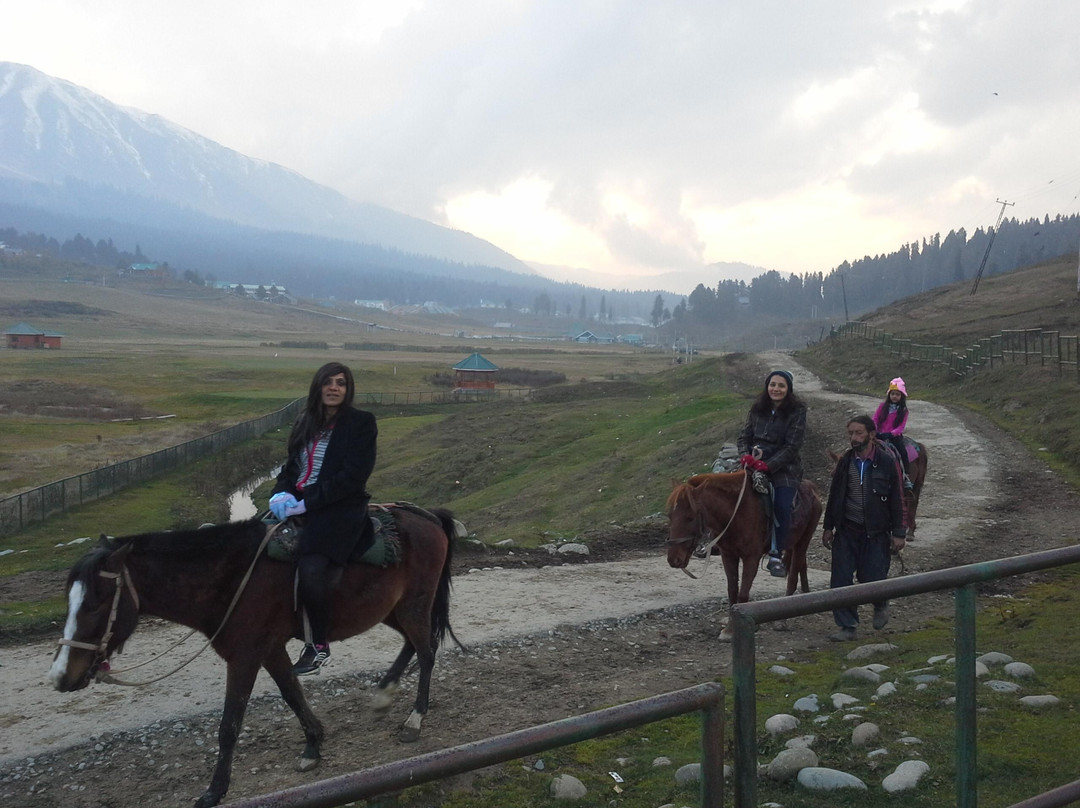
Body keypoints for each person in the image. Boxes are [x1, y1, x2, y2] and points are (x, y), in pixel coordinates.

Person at [269, 362, 378, 675]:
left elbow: (352, 477)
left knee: (312, 566)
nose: (334, 388)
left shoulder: (361, 423)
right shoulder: (306, 421)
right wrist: (281, 494)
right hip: (297, 503)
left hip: (340, 509)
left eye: (341, 383)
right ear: (317, 387)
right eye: (327, 382)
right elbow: (291, 470)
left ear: (348, 389)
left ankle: (317, 645)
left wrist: (306, 504)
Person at [822, 415, 906, 641]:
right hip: (847, 529)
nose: (853, 438)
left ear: (871, 434)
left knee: (872, 576)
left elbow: (897, 498)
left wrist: (899, 532)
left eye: (858, 433)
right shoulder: (846, 463)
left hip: (876, 532)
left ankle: (880, 602)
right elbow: (835, 496)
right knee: (840, 579)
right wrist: (828, 526)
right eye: (850, 433)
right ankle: (847, 626)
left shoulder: (887, 463)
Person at [737, 369, 807, 578]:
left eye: (781, 386)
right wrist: (745, 457)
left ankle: (776, 552)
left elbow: (792, 446)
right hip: (752, 463)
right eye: (772, 385)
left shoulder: (797, 411)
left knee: (782, 504)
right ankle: (720, 540)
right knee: (725, 494)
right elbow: (744, 437)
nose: (776, 389)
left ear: (788, 389)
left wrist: (767, 465)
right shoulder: (758, 408)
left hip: (783, 467)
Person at [873, 377, 911, 479]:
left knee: (903, 453)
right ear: (889, 395)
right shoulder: (882, 406)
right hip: (879, 434)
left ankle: (906, 474)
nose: (894, 396)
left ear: (901, 396)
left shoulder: (904, 411)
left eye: (897, 394)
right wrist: (876, 430)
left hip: (894, 437)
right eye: (892, 394)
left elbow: (901, 427)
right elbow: (875, 419)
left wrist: (891, 434)